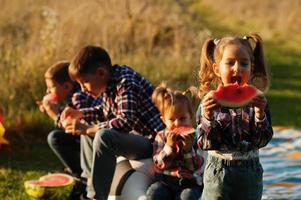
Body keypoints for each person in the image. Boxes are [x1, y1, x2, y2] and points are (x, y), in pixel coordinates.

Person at [60, 45, 165, 200]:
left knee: (102, 135)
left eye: (85, 82)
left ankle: (97, 196)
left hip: (153, 141)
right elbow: (105, 111)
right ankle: (88, 185)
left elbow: (125, 121)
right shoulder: (110, 82)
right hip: (136, 137)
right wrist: (81, 114)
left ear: (101, 73)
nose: (82, 89)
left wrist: (88, 129)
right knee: (86, 129)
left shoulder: (125, 82)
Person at [196, 33, 273, 200]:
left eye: (244, 63)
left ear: (251, 67)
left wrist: (260, 115)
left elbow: (262, 141)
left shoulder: (258, 101)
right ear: (217, 69)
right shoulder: (208, 102)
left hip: (250, 174)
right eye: (230, 63)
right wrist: (208, 118)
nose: (237, 68)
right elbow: (204, 144)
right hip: (218, 173)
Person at [37, 61, 102, 199]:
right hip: (88, 134)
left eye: (51, 88)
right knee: (56, 136)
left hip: (91, 137)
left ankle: (81, 178)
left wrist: (53, 113)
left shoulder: (79, 97)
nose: (47, 92)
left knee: (54, 138)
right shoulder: (74, 95)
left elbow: (71, 127)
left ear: (66, 86)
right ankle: (80, 174)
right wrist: (57, 110)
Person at [145, 83, 206, 200]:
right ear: (163, 120)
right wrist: (169, 147)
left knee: (188, 197)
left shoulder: (196, 137)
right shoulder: (161, 137)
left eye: (182, 118)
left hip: (189, 183)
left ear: (191, 116)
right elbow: (159, 164)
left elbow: (197, 167)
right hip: (164, 182)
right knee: (153, 194)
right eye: (172, 119)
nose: (177, 123)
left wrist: (188, 150)